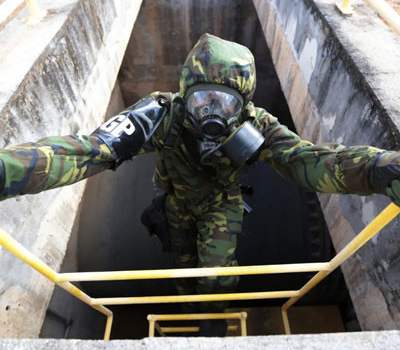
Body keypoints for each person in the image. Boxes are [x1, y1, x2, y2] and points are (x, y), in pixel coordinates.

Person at [1, 33, 400, 336]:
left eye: (225, 103)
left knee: (217, 274)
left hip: (221, 205)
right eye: (201, 100)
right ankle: (189, 309)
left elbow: (309, 162)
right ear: (184, 95)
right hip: (176, 203)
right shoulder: (161, 114)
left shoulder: (254, 125)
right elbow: (90, 151)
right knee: (179, 266)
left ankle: (213, 327)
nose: (212, 112)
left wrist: (380, 169)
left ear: (242, 104)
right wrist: (9, 170)